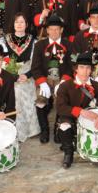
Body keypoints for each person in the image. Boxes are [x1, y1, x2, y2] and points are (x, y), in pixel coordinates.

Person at [54, 51, 98, 168]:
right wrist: (81, 112)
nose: (85, 71)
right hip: (70, 115)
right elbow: (60, 107)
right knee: (64, 126)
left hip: (89, 116)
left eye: (88, 68)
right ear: (76, 69)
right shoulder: (65, 86)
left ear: (91, 70)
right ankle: (68, 153)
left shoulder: (96, 85)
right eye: (81, 67)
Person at [30, 13, 73, 143]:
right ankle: (45, 130)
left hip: (62, 78)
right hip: (45, 79)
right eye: (51, 29)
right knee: (40, 99)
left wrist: (64, 81)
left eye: (57, 29)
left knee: (62, 99)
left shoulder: (69, 45)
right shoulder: (39, 45)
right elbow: (35, 67)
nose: (54, 32)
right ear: (47, 30)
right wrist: (42, 83)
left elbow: (72, 65)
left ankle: (57, 129)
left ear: (61, 30)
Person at [3, 13, 40, 142]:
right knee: (15, 91)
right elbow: (2, 61)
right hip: (9, 73)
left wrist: (27, 75)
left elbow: (36, 63)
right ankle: (12, 127)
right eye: (16, 22)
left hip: (28, 72)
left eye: (22, 22)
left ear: (26, 24)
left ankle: (29, 129)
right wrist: (13, 76)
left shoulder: (33, 41)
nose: (19, 24)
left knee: (25, 91)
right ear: (13, 24)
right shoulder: (4, 40)